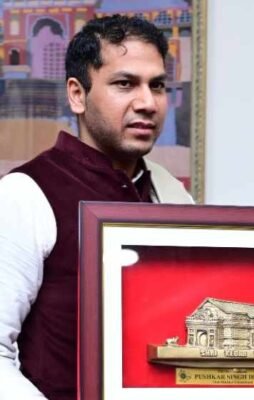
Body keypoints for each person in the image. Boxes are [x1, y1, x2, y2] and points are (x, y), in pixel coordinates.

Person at [0, 15, 193, 399]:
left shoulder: (172, 194)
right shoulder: (24, 195)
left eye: (157, 85)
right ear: (77, 94)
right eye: (125, 84)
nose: (147, 103)